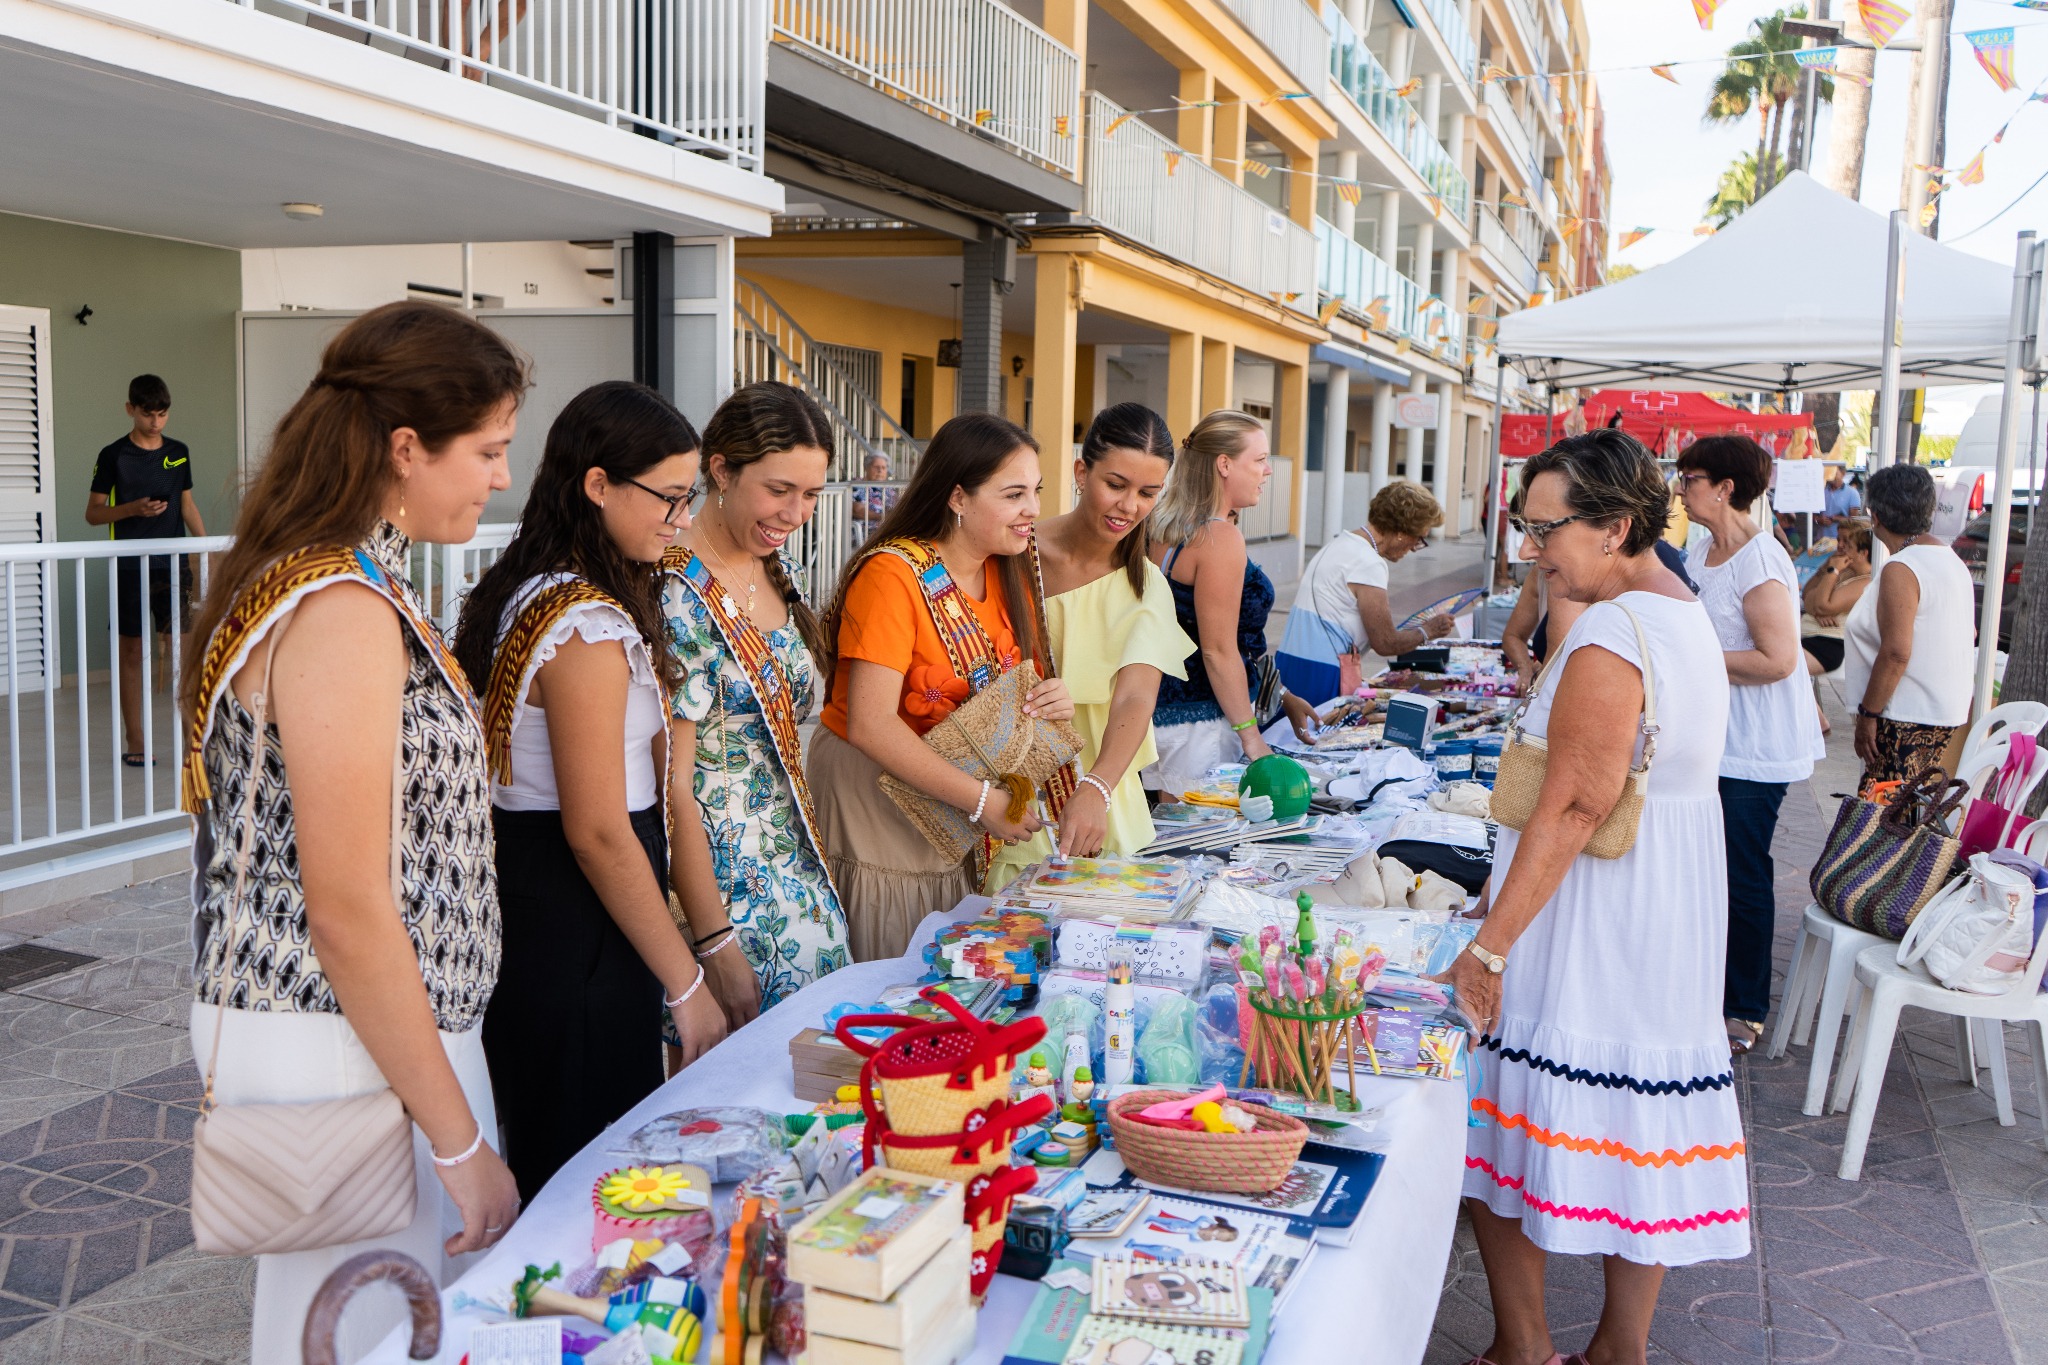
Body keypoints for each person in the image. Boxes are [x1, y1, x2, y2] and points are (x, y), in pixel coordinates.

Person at [180, 303, 525, 1363]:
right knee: (368, 1334)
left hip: (365, 1034)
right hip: (348, 1037)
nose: (500, 479)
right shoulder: (337, 605)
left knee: (350, 1331)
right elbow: (346, 904)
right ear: (406, 447)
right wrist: (461, 1141)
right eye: (489, 451)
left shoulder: (341, 577)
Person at [1445, 429, 1747, 1365]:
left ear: (1615, 528)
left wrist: (1490, 944)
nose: (1531, 550)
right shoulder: (1675, 608)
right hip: (1659, 900)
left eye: (1546, 530)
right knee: (1632, 1129)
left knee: (1505, 1115)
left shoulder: (1616, 630)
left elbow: (1577, 802)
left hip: (1598, 909)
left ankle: (1525, 1345)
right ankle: (1617, 1348)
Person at [453, 381, 727, 1203]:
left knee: (567, 1151)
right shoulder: (584, 624)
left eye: (690, 500)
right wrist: (688, 986)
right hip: (578, 920)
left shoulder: (533, 586)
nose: (680, 521)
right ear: (598, 483)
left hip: (550, 904)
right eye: (669, 499)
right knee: (589, 1174)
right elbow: (600, 830)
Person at [811, 412, 1073, 961]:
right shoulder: (892, 575)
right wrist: (982, 802)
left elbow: (1007, 688)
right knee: (895, 961)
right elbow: (871, 722)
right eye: (1014, 494)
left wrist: (1052, 701)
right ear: (957, 497)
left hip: (957, 801)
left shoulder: (1005, 570)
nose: (1033, 510)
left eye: (1036, 492)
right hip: (881, 795)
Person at [662, 382, 849, 1028]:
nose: (797, 511)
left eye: (811, 494)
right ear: (720, 469)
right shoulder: (677, 590)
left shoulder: (767, 563)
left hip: (799, 885)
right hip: (724, 904)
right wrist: (713, 941)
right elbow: (673, 787)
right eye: (779, 490)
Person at [986, 404, 1195, 893]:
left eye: (1148, 493)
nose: (1129, 506)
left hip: (1095, 797)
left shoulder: (1146, 588)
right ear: (1082, 472)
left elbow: (1135, 698)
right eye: (1116, 485)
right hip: (999, 790)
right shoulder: (1014, 550)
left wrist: (1096, 788)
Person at [1676, 435, 1824, 1058]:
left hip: (1752, 744)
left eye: (1690, 477)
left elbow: (1778, 659)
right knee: (1699, 865)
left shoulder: (1761, 560)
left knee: (1741, 870)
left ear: (1725, 487)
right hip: (1706, 734)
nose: (1680, 488)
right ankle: (1698, 988)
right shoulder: (1696, 551)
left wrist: (1689, 658)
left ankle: (1743, 1006)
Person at [1141, 411, 1316, 796]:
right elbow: (1219, 650)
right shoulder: (1218, 537)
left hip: (1163, 717)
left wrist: (1279, 694)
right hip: (1200, 726)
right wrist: (1251, 739)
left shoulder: (1165, 525)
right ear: (1224, 464)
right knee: (1196, 848)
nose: (1268, 471)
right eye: (1260, 460)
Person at [88, 374, 208, 767]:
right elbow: (93, 514)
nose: (156, 422)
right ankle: (136, 741)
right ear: (130, 410)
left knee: (183, 653)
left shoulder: (179, 451)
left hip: (173, 565)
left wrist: (203, 550)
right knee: (132, 652)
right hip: (129, 566)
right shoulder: (113, 455)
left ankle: (196, 740)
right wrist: (132, 509)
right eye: (147, 414)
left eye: (162, 414)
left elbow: (187, 505)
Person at [1843, 464, 1976, 792]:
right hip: (1939, 710)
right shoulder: (1951, 561)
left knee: (1882, 823)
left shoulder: (1903, 567)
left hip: (1906, 715)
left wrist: (1868, 714)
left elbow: (1896, 651)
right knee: (1903, 817)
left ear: (1875, 517)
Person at [1274, 480, 1454, 707]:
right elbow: (1386, 642)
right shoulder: (1368, 562)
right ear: (1401, 532)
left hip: (1291, 663)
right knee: (1316, 734)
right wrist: (1428, 630)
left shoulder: (1339, 544)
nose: (1414, 547)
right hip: (1322, 670)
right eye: (1419, 538)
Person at [1801, 520, 1872, 736]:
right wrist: (1827, 568)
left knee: (1785, 665)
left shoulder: (1864, 580)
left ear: (1862, 552)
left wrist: (1832, 572)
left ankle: (1816, 719)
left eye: (1847, 544)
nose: (1840, 547)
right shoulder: (1842, 570)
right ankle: (1813, 718)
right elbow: (1808, 597)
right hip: (1812, 635)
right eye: (1839, 540)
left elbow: (1822, 604)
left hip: (1829, 643)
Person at [850, 452, 897, 549]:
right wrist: (883, 517)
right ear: (866, 468)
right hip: (865, 531)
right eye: (876, 467)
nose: (880, 471)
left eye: (884, 468)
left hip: (887, 530)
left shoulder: (889, 489)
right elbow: (857, 511)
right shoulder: (858, 485)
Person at [1818, 462, 1863, 532]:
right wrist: (1818, 520)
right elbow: (1813, 515)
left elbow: (1854, 520)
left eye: (1834, 473)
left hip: (1841, 539)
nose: (1831, 476)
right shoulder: (1822, 491)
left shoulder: (1852, 493)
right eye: (1829, 473)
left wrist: (1837, 518)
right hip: (1821, 539)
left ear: (1843, 473)